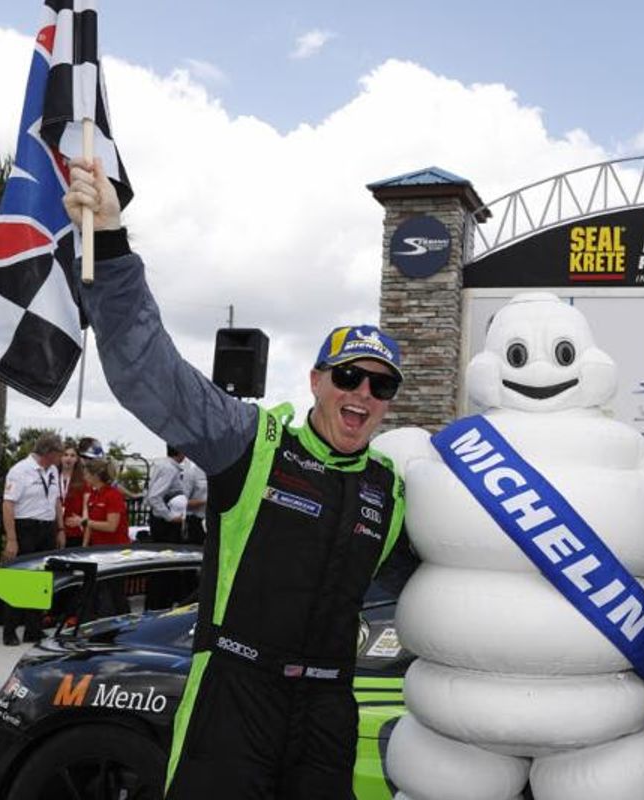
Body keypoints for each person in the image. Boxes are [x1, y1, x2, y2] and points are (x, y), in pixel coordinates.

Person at [63, 157, 411, 799]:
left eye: (381, 384)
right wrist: (109, 244)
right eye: (348, 376)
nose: (363, 392)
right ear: (316, 380)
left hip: (330, 707)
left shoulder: (391, 488)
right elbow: (149, 372)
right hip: (235, 694)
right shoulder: (251, 441)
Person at [0, 433, 64, 646]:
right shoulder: (20, 471)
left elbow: (56, 500)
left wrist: (60, 528)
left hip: (46, 527)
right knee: (21, 579)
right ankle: (9, 630)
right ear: (48, 452)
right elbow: (8, 504)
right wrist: (12, 538)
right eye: (58, 453)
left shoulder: (53, 470)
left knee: (41, 579)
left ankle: (33, 628)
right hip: (25, 526)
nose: (60, 457)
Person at [80, 457, 132, 619]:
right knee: (96, 589)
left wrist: (85, 521)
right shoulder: (93, 496)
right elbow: (90, 525)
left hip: (116, 551)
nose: (85, 477)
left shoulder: (113, 495)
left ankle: (122, 621)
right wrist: (84, 547)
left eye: (87, 474)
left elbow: (111, 526)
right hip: (98, 550)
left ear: (96, 475)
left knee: (114, 590)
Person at [144, 444, 188, 609]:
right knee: (165, 565)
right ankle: (159, 603)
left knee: (164, 566)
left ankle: (161, 601)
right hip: (165, 525)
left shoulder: (163, 465)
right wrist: (170, 517)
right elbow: (155, 497)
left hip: (162, 522)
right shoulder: (169, 469)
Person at [60, 440, 87, 547]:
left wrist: (83, 521)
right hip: (54, 530)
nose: (68, 458)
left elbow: (86, 508)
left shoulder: (83, 482)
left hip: (74, 531)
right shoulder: (52, 478)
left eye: (72, 455)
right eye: (65, 455)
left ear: (77, 459)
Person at [181, 456, 208, 545]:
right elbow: (183, 502)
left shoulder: (219, 471)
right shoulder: (192, 472)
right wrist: (205, 502)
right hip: (196, 521)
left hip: (213, 520)